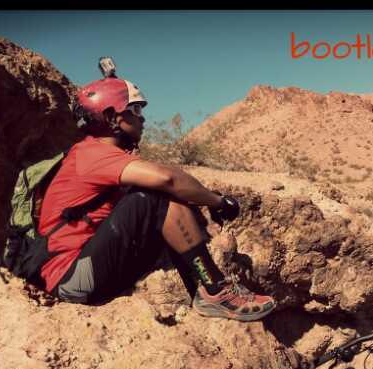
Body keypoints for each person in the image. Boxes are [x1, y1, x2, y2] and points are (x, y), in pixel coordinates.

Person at [37, 65, 275, 322]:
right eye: (135, 110)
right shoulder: (93, 154)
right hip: (70, 279)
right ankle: (215, 291)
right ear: (111, 117)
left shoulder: (94, 153)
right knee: (155, 196)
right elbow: (168, 178)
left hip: (86, 271)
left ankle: (204, 291)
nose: (142, 118)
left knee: (160, 200)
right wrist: (218, 201)